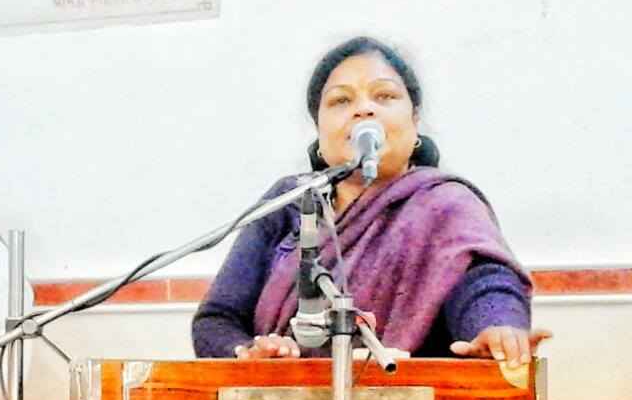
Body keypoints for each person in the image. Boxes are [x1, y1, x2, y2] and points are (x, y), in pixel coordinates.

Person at [192, 37, 550, 366]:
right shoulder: (289, 203)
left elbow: (485, 281)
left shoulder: (446, 205)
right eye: (341, 100)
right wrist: (246, 353)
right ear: (319, 130)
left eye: (384, 96)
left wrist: (495, 328)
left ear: (415, 121)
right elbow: (217, 319)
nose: (363, 109)